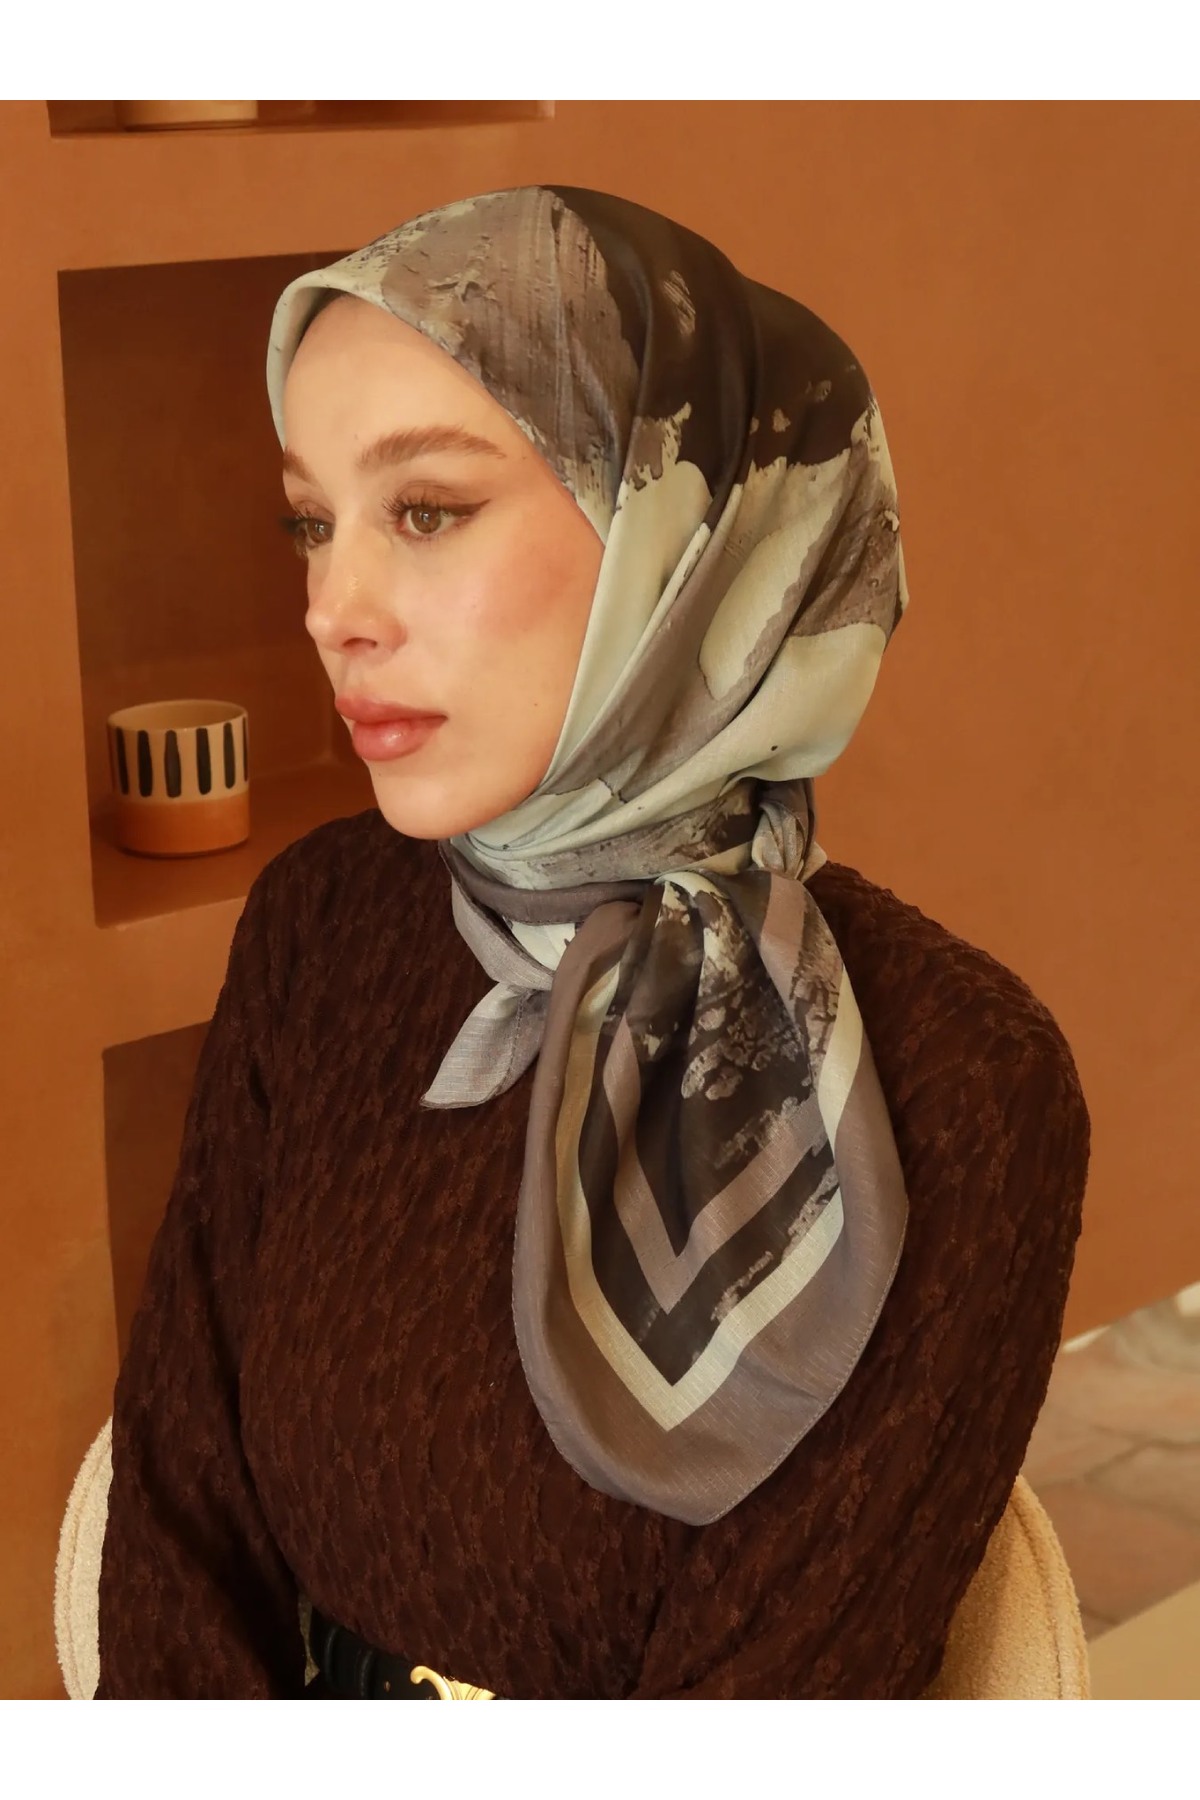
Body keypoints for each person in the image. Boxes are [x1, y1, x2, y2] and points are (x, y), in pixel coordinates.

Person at [93, 186, 1090, 1699]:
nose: (330, 609)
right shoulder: (324, 922)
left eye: (426, 511)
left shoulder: (960, 1081)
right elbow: (179, 1507)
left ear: (678, 544)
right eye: (311, 522)